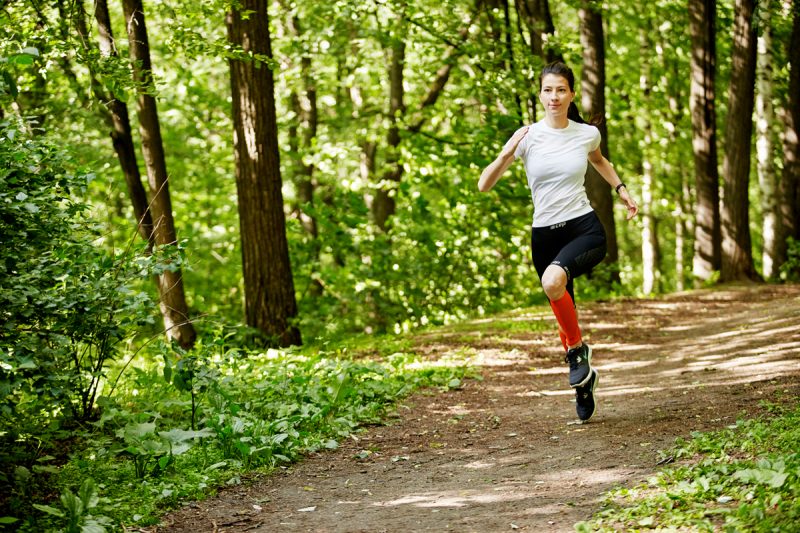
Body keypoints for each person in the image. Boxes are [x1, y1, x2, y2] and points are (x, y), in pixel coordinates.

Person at [478, 61, 638, 422]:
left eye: (561, 90)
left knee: (553, 281)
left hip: (584, 229)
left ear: (571, 94)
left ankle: (578, 353)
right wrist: (506, 153)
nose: (554, 97)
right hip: (544, 235)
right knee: (563, 311)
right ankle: (583, 382)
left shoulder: (585, 134)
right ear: (541, 95)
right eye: (548, 90)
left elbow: (599, 160)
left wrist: (622, 190)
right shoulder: (527, 137)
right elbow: (484, 185)